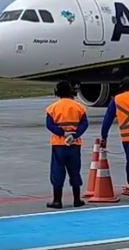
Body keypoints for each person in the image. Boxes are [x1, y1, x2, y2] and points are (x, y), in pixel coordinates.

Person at [45, 80, 89, 208]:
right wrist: (74, 135)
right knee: (75, 171)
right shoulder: (79, 107)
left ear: (57, 92)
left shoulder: (52, 107)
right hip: (74, 143)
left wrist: (62, 133)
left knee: (57, 171)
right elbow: (84, 124)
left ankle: (57, 200)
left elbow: (49, 124)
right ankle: (77, 200)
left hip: (59, 144)